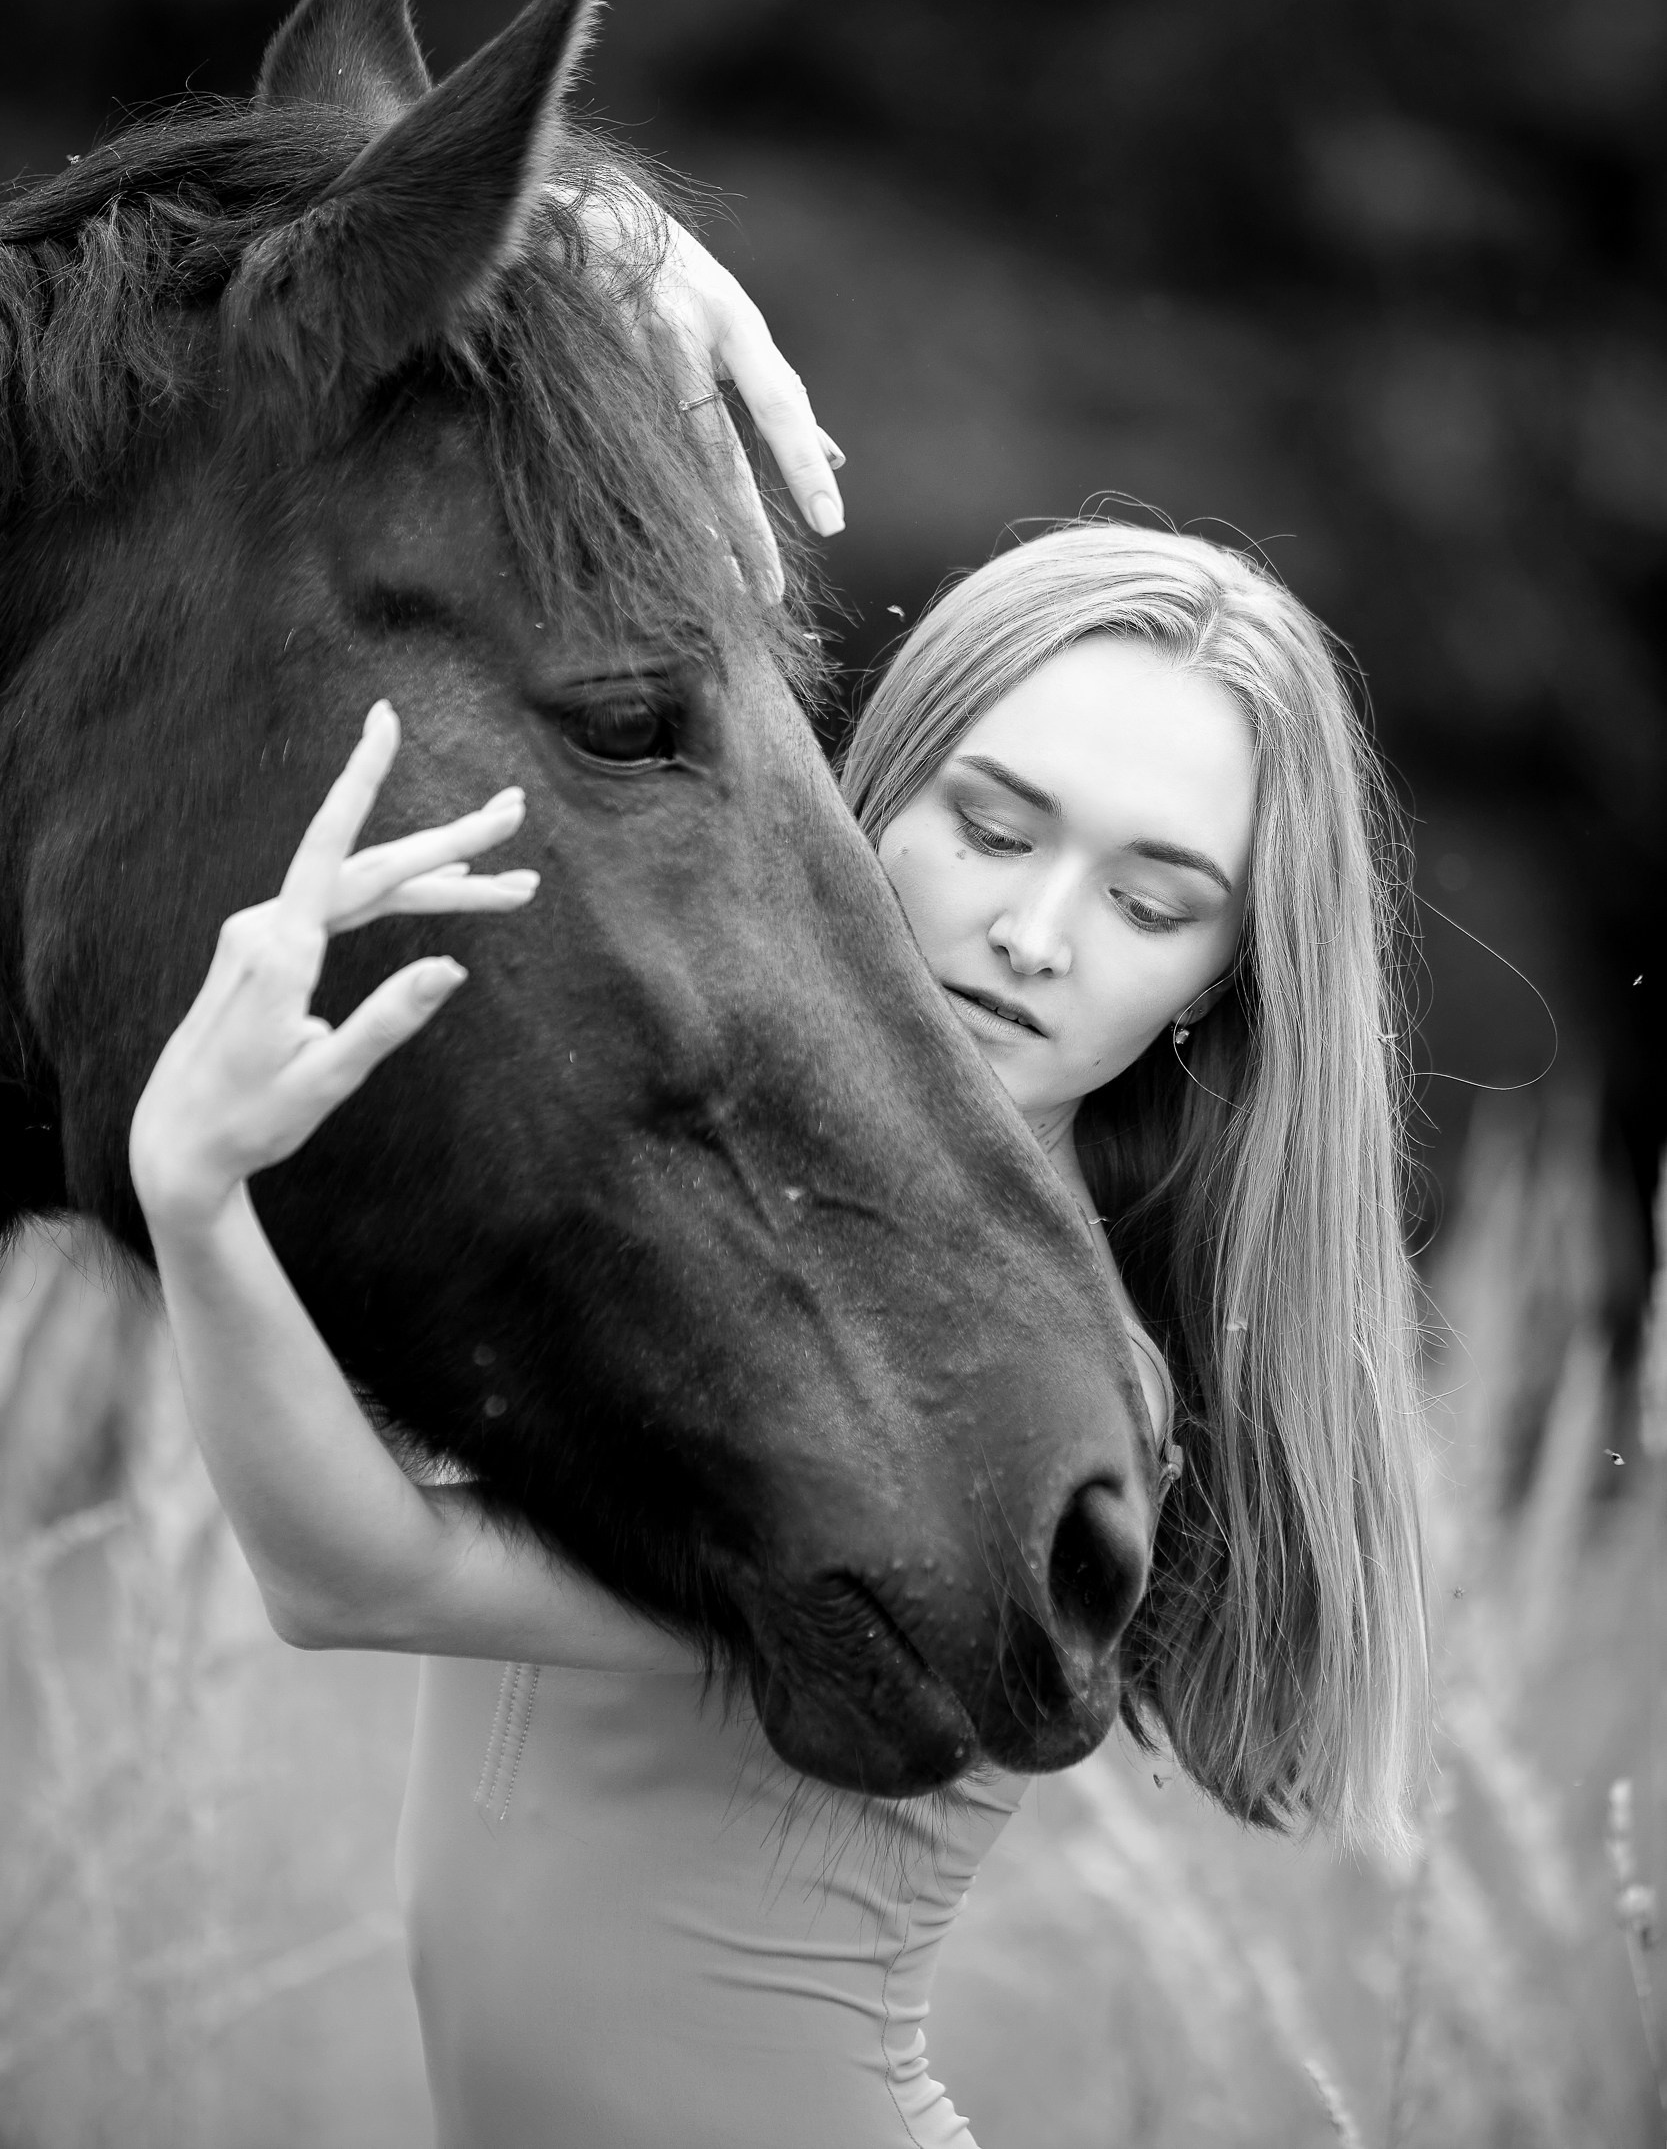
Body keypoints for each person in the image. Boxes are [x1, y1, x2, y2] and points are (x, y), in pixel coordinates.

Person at [130, 257, 1428, 2144]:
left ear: (1222, 986)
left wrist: (197, 1197)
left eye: (1154, 903)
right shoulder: (718, 1218)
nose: (1034, 934)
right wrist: (587, 233)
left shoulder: (1030, 1380)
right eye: (991, 826)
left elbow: (358, 1574)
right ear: (865, 798)